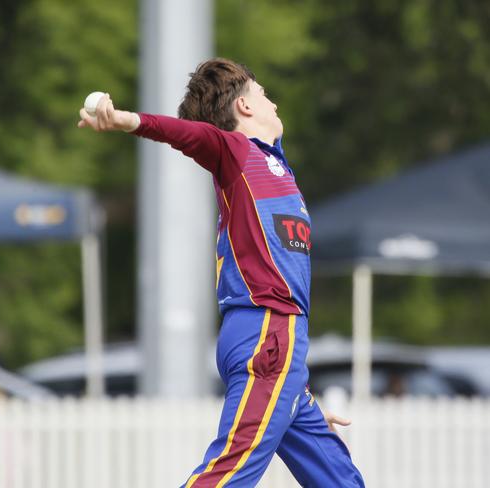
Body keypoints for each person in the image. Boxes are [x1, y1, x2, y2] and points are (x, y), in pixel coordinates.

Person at [78, 58, 365, 487]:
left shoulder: (277, 165)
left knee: (340, 479)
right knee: (229, 472)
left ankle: (288, 406)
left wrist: (285, 399)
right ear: (245, 107)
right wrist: (128, 120)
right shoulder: (238, 152)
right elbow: (192, 134)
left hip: (277, 351)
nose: (273, 100)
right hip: (266, 331)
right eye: (264, 92)